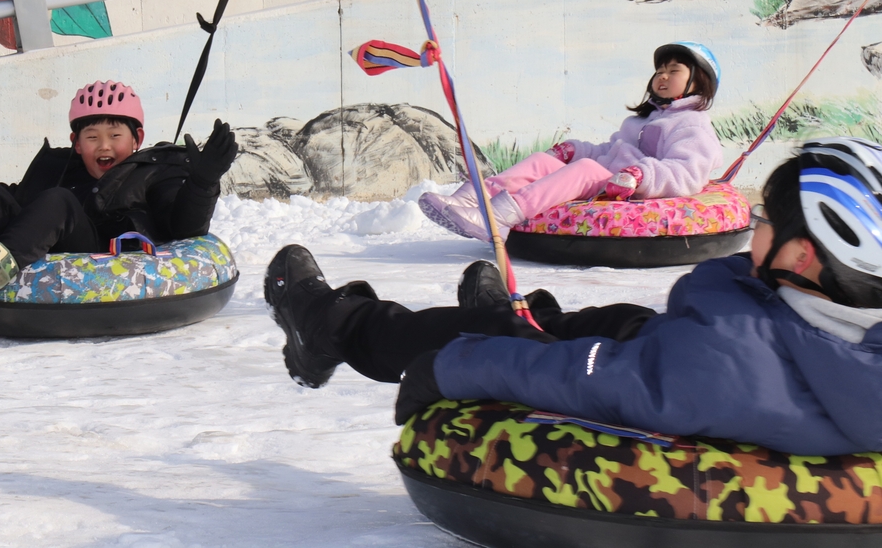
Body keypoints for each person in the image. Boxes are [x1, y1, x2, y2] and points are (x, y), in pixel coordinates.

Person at [265, 137, 882, 456]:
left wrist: (453, 368)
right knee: (607, 319)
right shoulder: (837, 316)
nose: (753, 222)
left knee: (495, 343)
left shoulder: (727, 363)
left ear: (803, 256)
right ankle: (507, 314)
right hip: (692, 343)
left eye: (766, 219)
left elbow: (590, 379)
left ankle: (333, 327)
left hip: (668, 369)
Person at [0, 80, 238, 326]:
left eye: (115, 136)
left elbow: (185, 227)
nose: (104, 146)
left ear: (136, 140)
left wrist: (203, 181)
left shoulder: (155, 171)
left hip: (102, 251)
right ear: (76, 142)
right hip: (50, 238)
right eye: (92, 137)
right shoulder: (58, 170)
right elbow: (7, 202)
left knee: (59, 202)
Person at [420, 42, 723, 241]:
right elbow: (612, 151)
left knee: (586, 170)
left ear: (698, 81)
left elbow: (687, 172)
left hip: (634, 189)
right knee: (544, 161)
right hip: (614, 174)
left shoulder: (692, 124)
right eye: (659, 71)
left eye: (674, 71)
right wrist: (576, 149)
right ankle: (472, 198)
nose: (662, 77)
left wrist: (642, 175)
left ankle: (498, 217)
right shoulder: (645, 119)